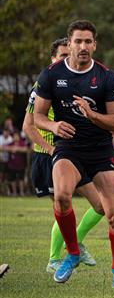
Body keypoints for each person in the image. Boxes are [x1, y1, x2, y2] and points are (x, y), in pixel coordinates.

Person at [34, 20, 114, 287]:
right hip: (68, 148)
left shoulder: (107, 77)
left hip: (100, 151)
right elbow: (38, 117)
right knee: (62, 196)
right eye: (78, 41)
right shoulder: (51, 75)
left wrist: (92, 114)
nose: (83, 46)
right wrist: (53, 125)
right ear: (70, 42)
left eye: (88, 41)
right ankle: (73, 253)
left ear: (95, 44)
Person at [22, 37, 105, 273]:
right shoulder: (42, 88)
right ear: (52, 59)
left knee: (102, 206)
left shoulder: (76, 86)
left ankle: (74, 243)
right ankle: (53, 259)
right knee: (62, 208)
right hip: (50, 156)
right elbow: (28, 126)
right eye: (61, 56)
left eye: (67, 56)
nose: (65, 60)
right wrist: (50, 149)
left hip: (75, 154)